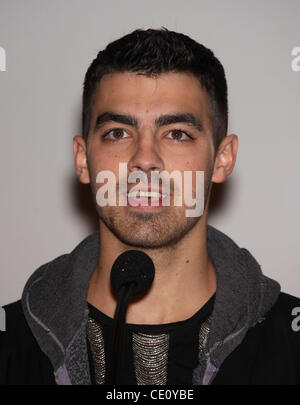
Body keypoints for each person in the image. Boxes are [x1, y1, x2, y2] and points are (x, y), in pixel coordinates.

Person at [1, 28, 300, 386]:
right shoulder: (10, 345)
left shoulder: (291, 343)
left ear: (222, 159)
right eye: (117, 132)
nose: (144, 159)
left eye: (177, 134)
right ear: (82, 159)